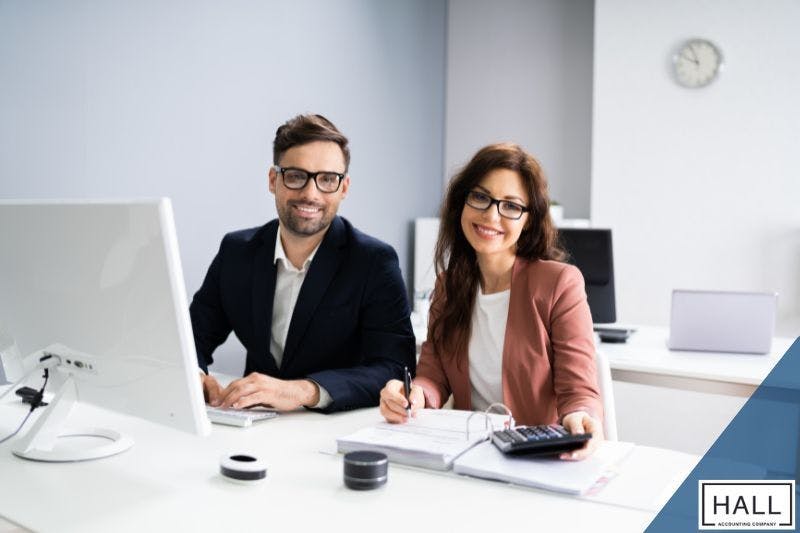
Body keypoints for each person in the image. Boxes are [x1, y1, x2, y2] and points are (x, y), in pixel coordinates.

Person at [379, 143, 603, 460]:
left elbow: (578, 390)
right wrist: (411, 395)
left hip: (538, 457)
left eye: (510, 206)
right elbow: (433, 376)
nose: (491, 215)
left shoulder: (559, 283)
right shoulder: (448, 287)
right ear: (462, 203)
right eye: (481, 197)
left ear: (528, 219)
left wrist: (582, 416)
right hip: (474, 454)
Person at [191, 114, 415, 413]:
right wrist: (196, 373)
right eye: (296, 176)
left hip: (335, 429)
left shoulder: (374, 262)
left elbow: (395, 367)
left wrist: (303, 391)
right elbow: (190, 334)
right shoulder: (236, 252)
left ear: (344, 188)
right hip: (253, 423)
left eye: (327, 180)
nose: (311, 193)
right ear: (274, 180)